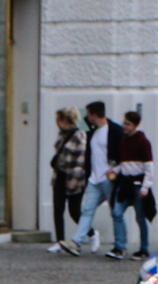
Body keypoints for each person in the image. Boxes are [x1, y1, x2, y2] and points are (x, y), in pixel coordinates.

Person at [71, 100, 116, 256]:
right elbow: (78, 118)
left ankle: (119, 245)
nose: (87, 116)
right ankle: (76, 241)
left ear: (94, 115)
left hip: (108, 179)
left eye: (89, 113)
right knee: (87, 210)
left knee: (116, 212)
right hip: (94, 179)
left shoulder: (114, 130)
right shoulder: (92, 130)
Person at [115, 108, 155, 258]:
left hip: (137, 184)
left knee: (140, 217)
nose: (125, 126)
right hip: (125, 183)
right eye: (124, 123)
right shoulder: (124, 141)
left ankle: (144, 248)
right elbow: (125, 164)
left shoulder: (143, 142)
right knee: (117, 212)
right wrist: (115, 170)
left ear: (135, 125)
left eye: (128, 124)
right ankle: (119, 246)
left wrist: (146, 186)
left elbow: (148, 166)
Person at [48, 109, 86, 255]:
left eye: (58, 120)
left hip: (72, 177)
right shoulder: (61, 135)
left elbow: (80, 159)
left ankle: (91, 233)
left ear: (64, 120)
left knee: (74, 211)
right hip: (59, 175)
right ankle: (60, 241)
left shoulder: (79, 135)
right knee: (58, 208)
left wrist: (75, 179)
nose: (57, 123)